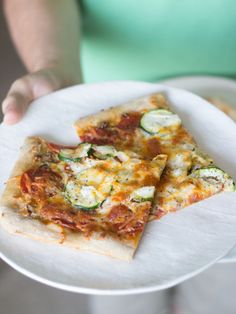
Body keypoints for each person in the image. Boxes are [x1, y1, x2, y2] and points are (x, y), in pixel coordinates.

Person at [1, 1, 236, 313]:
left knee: (222, 287)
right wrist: (54, 62)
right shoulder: (41, 195)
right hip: (101, 85)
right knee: (122, 296)